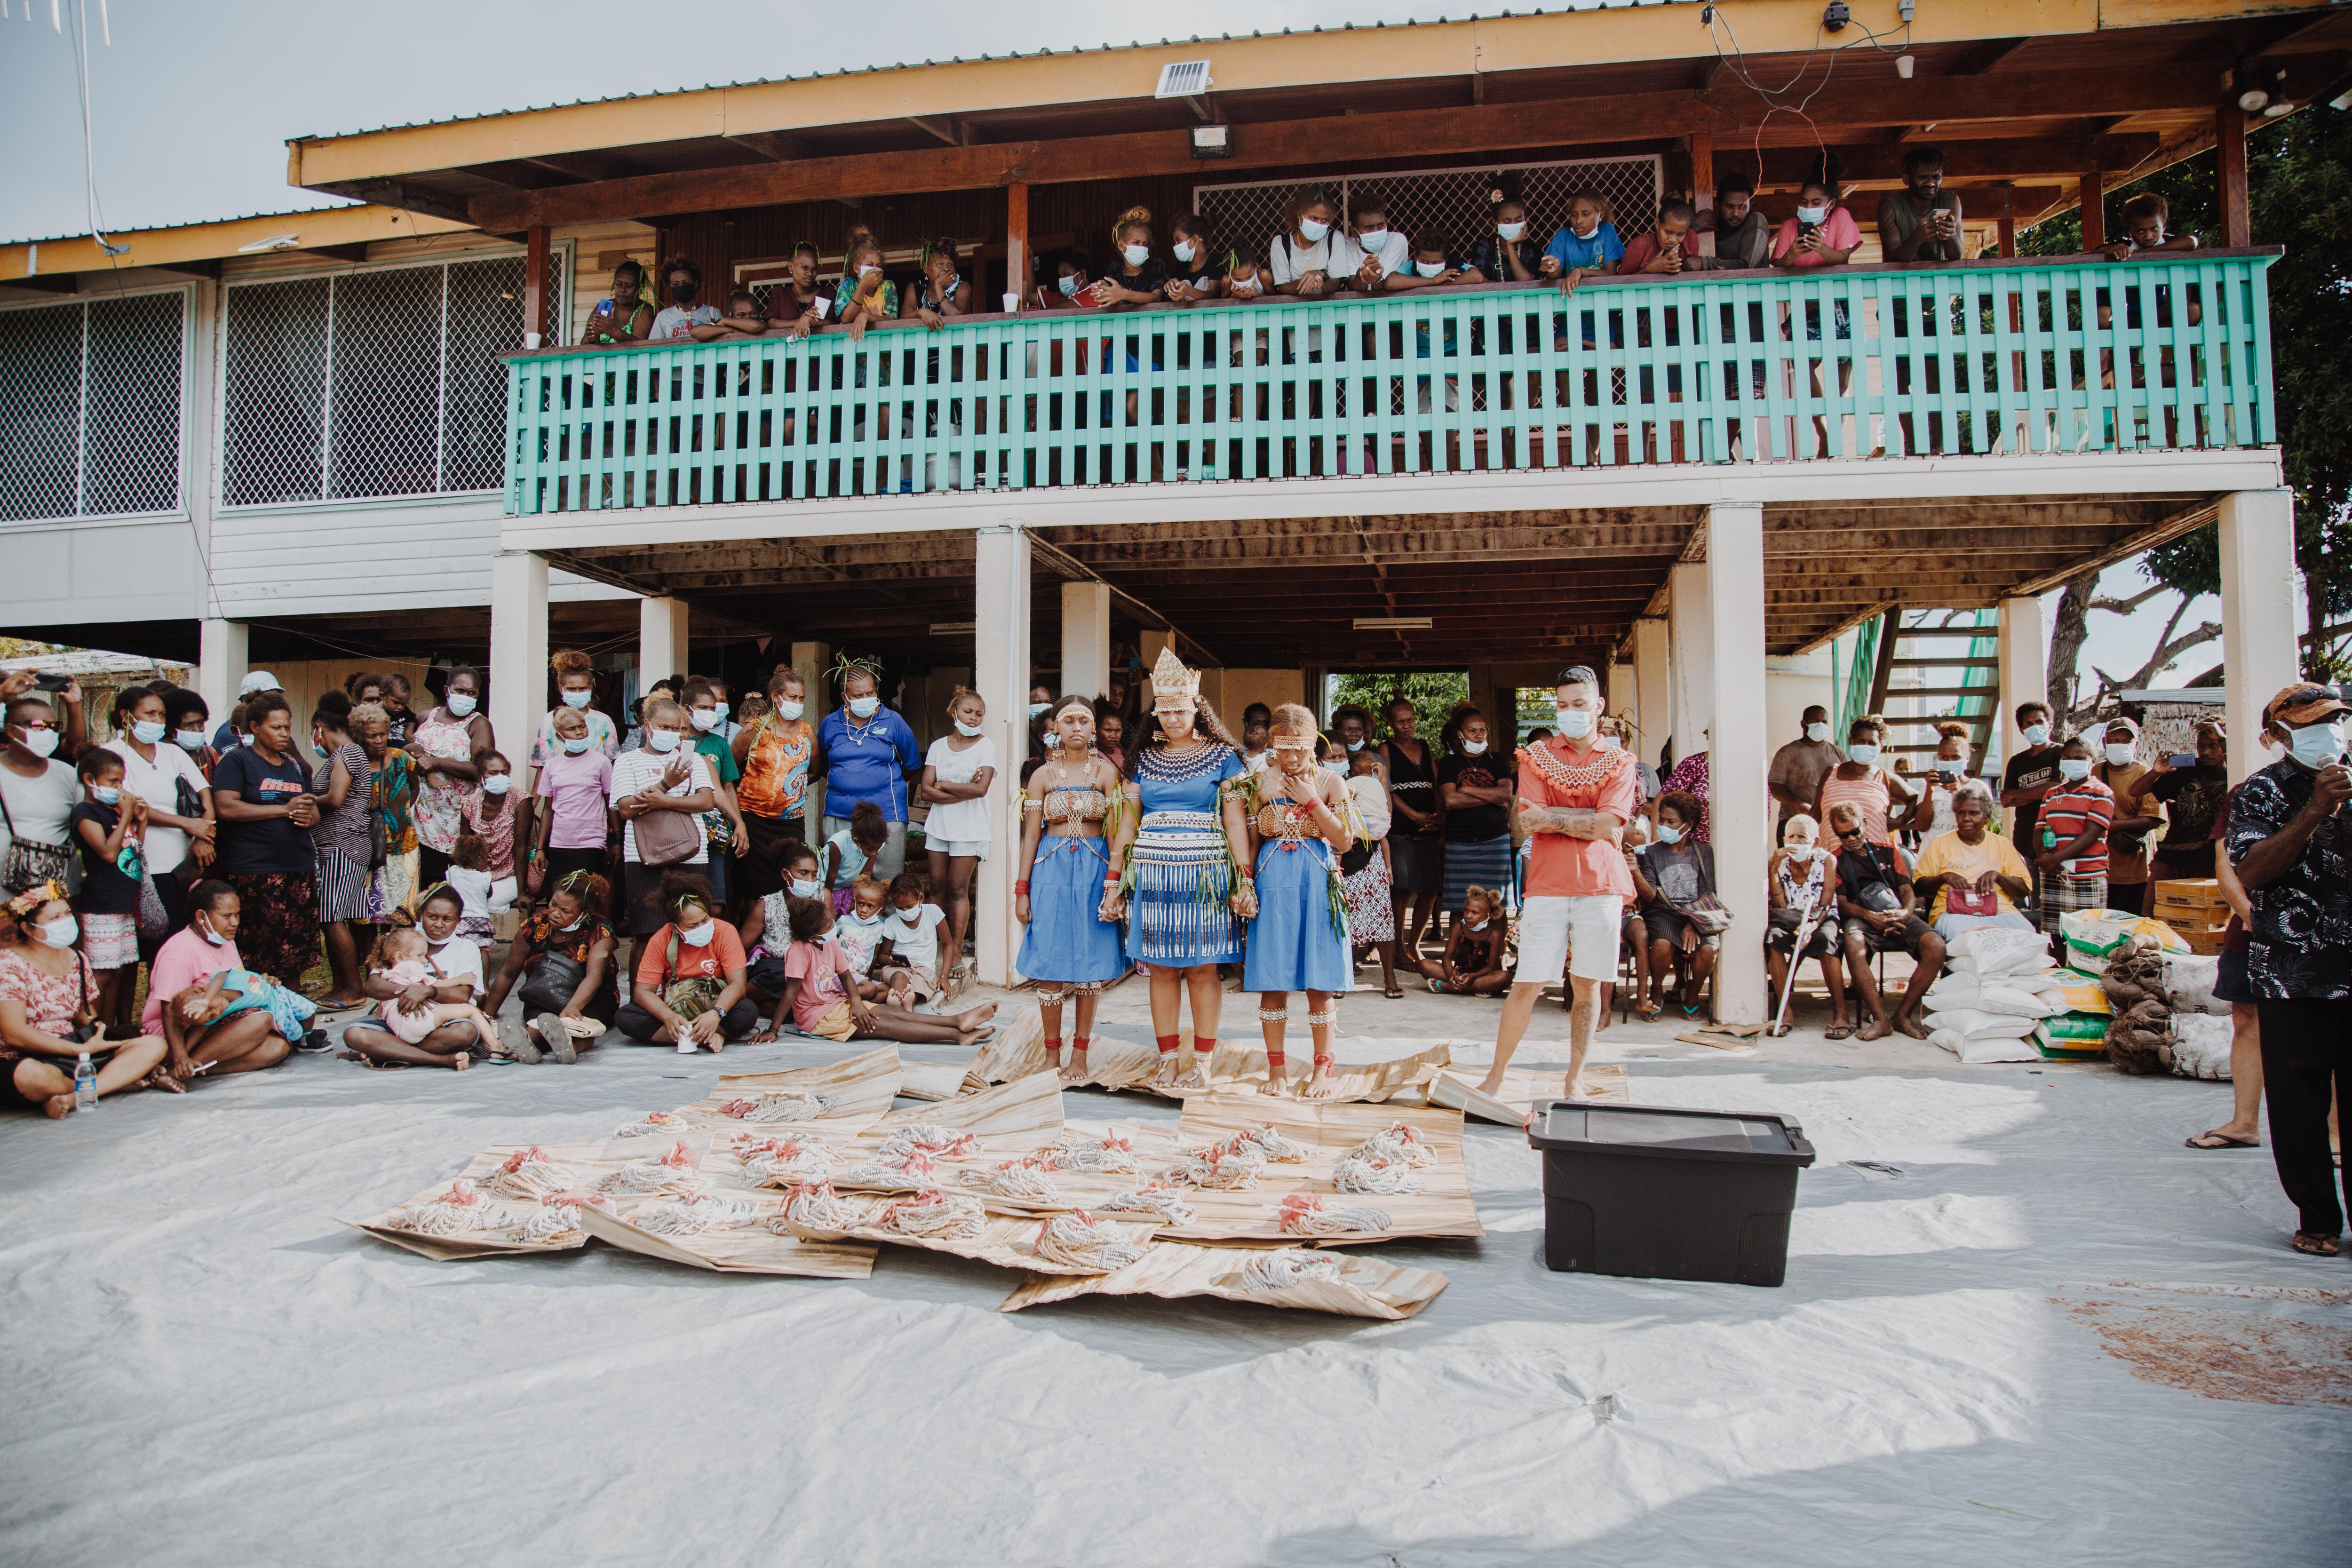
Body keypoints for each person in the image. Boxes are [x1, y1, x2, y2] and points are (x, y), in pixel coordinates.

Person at [2223, 683, 2352, 1257]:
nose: (2328, 733)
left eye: (2336, 720)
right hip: (2291, 971)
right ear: (2277, 736)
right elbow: (2251, 872)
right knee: (2298, 1103)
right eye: (2309, 725)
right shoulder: (2259, 793)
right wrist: (2315, 809)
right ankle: (2317, 1218)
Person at [1481, 668, 1637, 1099]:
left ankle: (1576, 1078)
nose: (1570, 713)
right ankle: (1495, 1076)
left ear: (1598, 706)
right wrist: (1588, 819)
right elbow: (1530, 820)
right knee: (1527, 983)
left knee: (1587, 984)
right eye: (1563, 705)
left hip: (1601, 886)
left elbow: (1610, 825)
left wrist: (1559, 818)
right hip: (1548, 884)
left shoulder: (1620, 761)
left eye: (1579, 704)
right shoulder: (1536, 756)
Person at [1104, 647, 1252, 1089]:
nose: (1171, 718)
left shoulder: (1225, 757)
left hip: (1204, 877)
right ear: (1155, 714)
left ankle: (1203, 1062)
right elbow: (1128, 824)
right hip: (1153, 876)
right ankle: (1168, 1058)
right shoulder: (1142, 760)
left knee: (1204, 969)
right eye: (1163, 710)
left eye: (1180, 709)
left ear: (1197, 709)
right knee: (1161, 968)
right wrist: (1114, 882)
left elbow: (1235, 823)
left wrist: (1244, 879)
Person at [1240, 705, 1354, 1098]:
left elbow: (1344, 841)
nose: (1292, 757)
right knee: (1273, 983)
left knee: (1318, 983)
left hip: (1317, 885)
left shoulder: (1330, 782)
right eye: (1284, 748)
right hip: (1273, 886)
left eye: (1301, 749)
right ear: (1272, 743)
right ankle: (1278, 1069)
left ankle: (1323, 1069)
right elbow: (1252, 843)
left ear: (1314, 744)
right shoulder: (1258, 783)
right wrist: (1246, 884)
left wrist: (1311, 800)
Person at [1014, 697, 1128, 1081]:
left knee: (1091, 968)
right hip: (1051, 868)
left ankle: (1080, 1055)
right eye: (1069, 721)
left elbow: (1117, 838)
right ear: (1055, 729)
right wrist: (1022, 888)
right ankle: (1051, 1055)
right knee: (1051, 964)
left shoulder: (1107, 774)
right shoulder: (1042, 776)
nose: (1077, 727)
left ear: (1093, 728)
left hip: (1095, 870)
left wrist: (1116, 887)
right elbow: (1030, 837)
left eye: (1084, 721)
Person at [0, 884, 170, 1115]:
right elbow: (15, 1034)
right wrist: (80, 1050)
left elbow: (84, 1013)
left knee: (153, 1045)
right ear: (28, 929)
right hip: (28, 1058)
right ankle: (114, 1083)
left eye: (67, 913)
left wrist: (108, 1036)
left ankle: (72, 1097)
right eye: (55, 918)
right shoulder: (9, 964)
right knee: (36, 1077)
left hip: (74, 1050)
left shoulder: (77, 959)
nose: (66, 921)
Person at [748, 893, 997, 1047]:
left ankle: (958, 1021)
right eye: (828, 926)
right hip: (817, 1017)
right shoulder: (798, 952)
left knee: (894, 1012)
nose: (834, 927)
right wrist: (773, 1030)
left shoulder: (830, 942)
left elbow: (845, 976)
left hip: (839, 1003)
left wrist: (856, 1001)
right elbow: (791, 993)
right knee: (886, 1026)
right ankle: (958, 1036)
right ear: (813, 937)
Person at [207, 691, 320, 990]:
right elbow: (226, 806)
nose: (284, 734)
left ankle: (294, 1012)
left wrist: (311, 817)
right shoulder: (238, 761)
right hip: (254, 870)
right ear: (255, 727)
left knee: (294, 950)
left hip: (298, 868)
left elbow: (313, 810)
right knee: (258, 950)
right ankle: (258, 1012)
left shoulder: (294, 766)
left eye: (287, 727)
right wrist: (283, 809)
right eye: (276, 728)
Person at [103, 683, 215, 956]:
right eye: (150, 714)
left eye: (162, 715)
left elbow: (205, 795)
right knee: (156, 946)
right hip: (145, 864)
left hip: (183, 864)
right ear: (126, 716)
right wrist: (188, 824)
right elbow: (133, 805)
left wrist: (203, 834)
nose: (157, 721)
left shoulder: (172, 752)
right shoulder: (111, 755)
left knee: (184, 941)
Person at [143, 881, 292, 1082]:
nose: (235, 922)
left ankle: (189, 1069)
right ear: (201, 917)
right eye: (227, 916)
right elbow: (169, 1010)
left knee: (277, 1049)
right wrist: (180, 1056)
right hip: (177, 1033)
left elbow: (234, 981)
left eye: (237, 914)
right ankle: (178, 1069)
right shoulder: (179, 951)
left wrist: (259, 983)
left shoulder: (225, 940)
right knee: (260, 1020)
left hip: (212, 1020)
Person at [2190, 779, 2264, 1150]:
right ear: (2271, 737)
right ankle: (2245, 1122)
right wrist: (2247, 912)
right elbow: (2225, 861)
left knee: (2327, 1024)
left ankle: (2335, 1132)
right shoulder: (2250, 790)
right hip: (2251, 925)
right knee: (2246, 1018)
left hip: (2323, 928)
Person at [1829, 801, 1944, 1041]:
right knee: (1853, 944)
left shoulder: (1889, 851)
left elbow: (1907, 891)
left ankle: (1903, 1015)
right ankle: (1881, 1018)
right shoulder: (1835, 860)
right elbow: (1841, 903)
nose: (1850, 839)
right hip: (1861, 916)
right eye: (1843, 835)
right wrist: (1869, 916)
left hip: (1895, 912)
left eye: (1855, 831)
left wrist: (1904, 914)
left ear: (1865, 825)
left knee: (1936, 945)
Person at [610, 697, 718, 950]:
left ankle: (683, 988)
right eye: (663, 727)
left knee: (691, 929)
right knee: (647, 934)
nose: (670, 733)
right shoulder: (627, 761)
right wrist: (667, 785)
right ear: (647, 725)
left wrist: (662, 801)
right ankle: (642, 990)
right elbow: (626, 808)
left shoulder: (692, 759)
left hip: (691, 855)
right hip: (643, 857)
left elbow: (706, 801)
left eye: (675, 728)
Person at [483, 868, 616, 1064]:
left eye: (566, 911)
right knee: (540, 1025)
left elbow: (593, 977)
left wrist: (572, 1009)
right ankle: (528, 1041)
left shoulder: (600, 928)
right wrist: (487, 1017)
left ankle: (569, 1045)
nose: (555, 913)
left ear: (584, 912)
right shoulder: (535, 925)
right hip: (544, 996)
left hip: (591, 999)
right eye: (554, 904)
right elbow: (508, 974)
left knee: (576, 1027)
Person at [612, 874, 757, 1049]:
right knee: (626, 1017)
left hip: (716, 1004)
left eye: (705, 920)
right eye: (693, 926)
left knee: (747, 1012)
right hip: (677, 1010)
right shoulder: (661, 940)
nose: (702, 928)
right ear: (675, 928)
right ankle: (709, 1037)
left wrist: (716, 1014)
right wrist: (668, 1016)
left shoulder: (725, 932)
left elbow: (738, 984)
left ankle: (693, 1035)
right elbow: (642, 992)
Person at [919, 687, 996, 990]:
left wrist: (945, 785)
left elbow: (980, 791)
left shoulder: (986, 747)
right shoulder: (939, 746)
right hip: (939, 827)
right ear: (955, 713)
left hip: (970, 829)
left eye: (979, 714)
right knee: (936, 887)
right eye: (969, 712)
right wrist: (958, 791)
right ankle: (938, 947)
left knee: (957, 889)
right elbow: (926, 791)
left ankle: (956, 955)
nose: (974, 718)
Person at [817, 661, 921, 882]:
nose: (866, 699)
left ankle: (888, 917)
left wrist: (881, 782)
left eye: (870, 693)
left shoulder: (893, 720)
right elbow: (824, 767)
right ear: (845, 698)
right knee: (839, 879)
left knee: (887, 881)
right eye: (858, 695)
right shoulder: (830, 724)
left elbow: (911, 764)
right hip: (840, 814)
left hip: (887, 814)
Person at [67, 749, 145, 1035]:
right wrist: (125, 814)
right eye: (113, 782)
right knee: (100, 974)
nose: (119, 789)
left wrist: (141, 821)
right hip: (101, 906)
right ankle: (91, 1032)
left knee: (118, 972)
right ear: (90, 780)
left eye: (121, 782)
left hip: (122, 904)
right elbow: (109, 853)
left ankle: (109, 1031)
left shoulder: (113, 813)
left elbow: (132, 852)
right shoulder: (85, 813)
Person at [307, 692, 376, 1009]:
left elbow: (335, 798)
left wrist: (301, 802)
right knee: (338, 916)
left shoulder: (348, 752)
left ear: (319, 727)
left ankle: (353, 988)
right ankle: (343, 985)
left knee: (332, 917)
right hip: (339, 844)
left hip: (343, 844)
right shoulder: (342, 756)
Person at [1631, 792, 1720, 1018]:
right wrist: (1635, 871)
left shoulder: (1703, 852)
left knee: (1709, 949)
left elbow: (1707, 892)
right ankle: (1658, 988)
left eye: (1671, 822)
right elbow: (1651, 897)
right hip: (1664, 913)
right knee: (1661, 944)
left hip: (1697, 914)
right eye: (1661, 820)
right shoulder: (1651, 853)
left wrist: (1693, 923)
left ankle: (1693, 992)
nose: (1663, 826)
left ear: (1688, 824)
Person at [1912, 781, 2036, 940]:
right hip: (1954, 913)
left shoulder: (2001, 843)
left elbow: (2023, 890)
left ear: (1987, 818)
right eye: (1961, 813)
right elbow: (1919, 888)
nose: (1966, 819)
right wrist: (1945, 877)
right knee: (1971, 941)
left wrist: (1997, 876)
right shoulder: (1940, 843)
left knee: (2027, 937)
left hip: (2001, 911)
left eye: (1974, 813)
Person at [733, 665, 817, 898]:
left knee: (789, 880)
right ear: (775, 697)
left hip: (791, 821)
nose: (798, 703)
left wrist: (790, 789)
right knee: (753, 886)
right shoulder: (755, 730)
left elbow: (815, 771)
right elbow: (730, 768)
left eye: (801, 698)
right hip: (753, 821)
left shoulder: (807, 732)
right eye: (793, 697)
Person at [410, 665, 494, 890]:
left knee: (448, 887)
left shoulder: (478, 724)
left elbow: (482, 770)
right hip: (420, 816)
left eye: (472, 693)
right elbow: (403, 747)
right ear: (447, 690)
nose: (466, 697)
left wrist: (436, 762)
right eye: (460, 690)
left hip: (455, 819)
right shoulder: (425, 717)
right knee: (421, 886)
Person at [365, 925, 500, 1062]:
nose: (424, 961)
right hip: (414, 1021)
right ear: (400, 956)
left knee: (464, 1030)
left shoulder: (391, 970)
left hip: (398, 1028)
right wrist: (460, 979)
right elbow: (431, 986)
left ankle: (391, 1051)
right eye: (420, 956)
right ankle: (497, 1048)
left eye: (425, 956)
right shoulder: (409, 965)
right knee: (470, 1011)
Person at [1436, 706, 1516, 935]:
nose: (1479, 735)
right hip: (1459, 843)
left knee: (1496, 904)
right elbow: (1451, 800)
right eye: (1473, 731)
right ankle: (1455, 953)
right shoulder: (1450, 764)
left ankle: (1497, 957)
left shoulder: (1497, 760)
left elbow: (1505, 794)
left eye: (1483, 730)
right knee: (1458, 903)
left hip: (1495, 840)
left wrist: (1468, 788)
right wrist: (1491, 797)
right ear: (1460, 735)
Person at [1765, 813, 1846, 1037]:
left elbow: (1826, 901)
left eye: (1802, 837)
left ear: (1816, 841)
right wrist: (1773, 870)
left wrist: (1810, 927)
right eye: (1791, 837)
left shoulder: (1827, 860)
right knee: (1773, 938)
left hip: (1822, 916)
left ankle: (1841, 1014)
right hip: (1790, 917)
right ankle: (1785, 1012)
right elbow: (1780, 906)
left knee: (1827, 941)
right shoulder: (1779, 862)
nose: (1796, 842)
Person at [0, 690, 84, 895]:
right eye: (38, 726)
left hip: (57, 896)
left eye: (54, 727)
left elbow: (85, 824)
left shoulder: (66, 773)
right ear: (11, 730)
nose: (48, 733)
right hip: (5, 897)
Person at [1380, 695, 1444, 960]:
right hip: (1402, 828)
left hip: (1429, 827)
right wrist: (1413, 815)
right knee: (1402, 890)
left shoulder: (1425, 746)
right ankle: (1397, 949)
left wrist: (1440, 816)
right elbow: (1387, 789)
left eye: (1411, 720)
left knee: (1430, 889)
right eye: (1401, 721)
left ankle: (1413, 946)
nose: (1408, 726)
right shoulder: (1386, 749)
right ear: (1391, 724)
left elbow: (1437, 782)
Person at [2035, 734, 2116, 938]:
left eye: (2079, 758)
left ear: (2092, 761)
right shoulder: (2051, 794)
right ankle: (2060, 970)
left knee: (2088, 936)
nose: (2073, 762)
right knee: (2057, 934)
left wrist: (2054, 859)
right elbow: (2039, 829)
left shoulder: (2101, 793)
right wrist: (2044, 857)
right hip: (2054, 873)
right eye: (2068, 757)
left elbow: (2091, 834)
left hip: (2086, 875)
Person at [2130, 719, 2229, 881]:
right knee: (2155, 906)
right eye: (2201, 746)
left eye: (2213, 746)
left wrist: (2224, 738)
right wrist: (2156, 772)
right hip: (2172, 858)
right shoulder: (2186, 769)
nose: (2206, 752)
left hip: (2214, 862)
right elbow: (2135, 791)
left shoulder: (2238, 770)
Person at [680, 679, 748, 904]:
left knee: (717, 901)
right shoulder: (673, 742)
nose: (710, 713)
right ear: (686, 709)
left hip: (716, 832)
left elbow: (727, 789)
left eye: (712, 708)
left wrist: (738, 824)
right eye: (703, 708)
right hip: (682, 829)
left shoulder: (719, 744)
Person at [1343, 745, 1400, 999]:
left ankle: (1390, 977)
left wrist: (1384, 781)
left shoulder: (1356, 785)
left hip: (1372, 857)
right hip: (1346, 855)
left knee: (1382, 918)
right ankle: (1342, 978)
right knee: (1344, 921)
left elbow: (1387, 813)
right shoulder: (1359, 785)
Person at [2094, 717, 2159, 915]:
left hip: (2135, 870)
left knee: (2132, 923)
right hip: (2098, 868)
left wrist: (2113, 826)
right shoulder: (2094, 772)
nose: (2119, 745)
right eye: (2114, 740)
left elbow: (2152, 819)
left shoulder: (2146, 775)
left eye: (2125, 741)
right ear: (2105, 742)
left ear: (2136, 745)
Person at [1815, 717, 1915, 847]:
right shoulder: (1831, 773)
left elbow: (1916, 799)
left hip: (1873, 860)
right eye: (1861, 741)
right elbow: (1815, 813)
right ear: (1852, 741)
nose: (1866, 747)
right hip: (1832, 860)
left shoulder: (1885, 778)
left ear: (1880, 747)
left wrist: (1900, 822)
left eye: (1872, 743)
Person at [2001, 701, 2065, 892]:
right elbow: (2005, 800)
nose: (2034, 726)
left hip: (2056, 840)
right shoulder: (2017, 762)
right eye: (2028, 724)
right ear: (2022, 730)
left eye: (2039, 721)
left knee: (2058, 897)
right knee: (2034, 901)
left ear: (2050, 725)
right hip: (2025, 838)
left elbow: (2056, 786)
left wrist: (2018, 794)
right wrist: (2042, 792)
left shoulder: (2061, 753)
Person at [872, 870, 952, 1007]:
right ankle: (898, 1001)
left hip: (925, 969)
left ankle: (906, 1003)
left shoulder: (933, 912)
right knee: (899, 977)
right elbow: (883, 956)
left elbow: (948, 945)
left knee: (919, 988)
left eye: (909, 906)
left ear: (921, 898)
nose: (905, 912)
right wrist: (891, 961)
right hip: (898, 968)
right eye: (900, 908)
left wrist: (944, 976)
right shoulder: (891, 922)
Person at [1413, 884, 1510, 996]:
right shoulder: (1459, 928)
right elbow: (1447, 957)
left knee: (1505, 977)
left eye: (1475, 913)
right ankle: (1475, 988)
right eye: (1467, 911)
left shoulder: (1494, 935)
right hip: (1460, 973)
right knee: (1424, 965)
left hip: (1482, 976)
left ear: (1486, 916)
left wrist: (1473, 976)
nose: (1468, 916)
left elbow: (1492, 967)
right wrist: (1451, 975)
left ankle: (1450, 988)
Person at [1770, 703, 1846, 839]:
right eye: (1815, 721)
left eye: (1824, 722)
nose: (1820, 725)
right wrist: (1797, 804)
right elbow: (1775, 785)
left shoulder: (1837, 753)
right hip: (1794, 822)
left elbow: (1848, 783)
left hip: (1828, 824)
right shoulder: (1788, 753)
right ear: (1803, 724)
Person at [1876, 147, 1964, 263]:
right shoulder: (1889, 206)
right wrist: (1918, 237)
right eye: (1923, 177)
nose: (1931, 183)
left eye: (1936, 177)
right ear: (1907, 179)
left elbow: (1958, 256)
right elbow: (1893, 260)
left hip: (1939, 278)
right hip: (1902, 280)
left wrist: (1951, 235)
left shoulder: (1951, 200)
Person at [1269, 193, 1352, 299]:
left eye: (1325, 220)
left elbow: (1336, 284)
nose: (1319, 224)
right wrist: (1308, 280)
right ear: (1300, 215)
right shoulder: (1281, 243)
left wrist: (1322, 275)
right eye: (1314, 218)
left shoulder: (1334, 238)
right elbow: (1283, 287)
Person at [1538, 189, 1621, 286]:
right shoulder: (1564, 236)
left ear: (1601, 215)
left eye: (1586, 215)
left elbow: (1610, 273)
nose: (1579, 221)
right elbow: (1553, 277)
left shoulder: (1606, 231)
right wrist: (1551, 268)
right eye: (1574, 215)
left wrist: (1580, 271)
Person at [1088, 207, 1168, 307]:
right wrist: (1106, 292)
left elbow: (1157, 298)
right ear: (1121, 246)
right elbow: (1119, 304)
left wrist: (1123, 294)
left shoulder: (1156, 266)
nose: (1142, 247)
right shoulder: (1115, 269)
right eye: (1136, 243)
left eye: (1145, 244)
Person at [1693, 170, 1771, 269]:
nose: (1736, 213)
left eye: (1742, 207)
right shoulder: (1710, 224)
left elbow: (1746, 266)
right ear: (1718, 205)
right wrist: (1694, 225)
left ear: (1751, 205)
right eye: (1730, 207)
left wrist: (1705, 263)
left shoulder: (1756, 221)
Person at [1910, 722, 1975, 841]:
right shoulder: (1928, 788)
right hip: (1933, 853)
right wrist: (1930, 791)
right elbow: (1922, 826)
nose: (1950, 761)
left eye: (1955, 757)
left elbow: (1977, 826)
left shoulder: (1977, 787)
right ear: (1939, 757)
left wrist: (1959, 795)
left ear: (1967, 758)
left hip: (1964, 853)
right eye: (1945, 757)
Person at [822, 802, 889, 914]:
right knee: (828, 913)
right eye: (870, 850)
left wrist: (857, 898)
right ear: (856, 840)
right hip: (828, 886)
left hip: (848, 887)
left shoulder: (875, 843)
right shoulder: (839, 843)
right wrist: (827, 899)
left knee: (858, 910)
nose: (874, 853)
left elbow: (867, 872)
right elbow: (832, 874)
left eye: (877, 850)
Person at [763, 241, 836, 339]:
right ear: (791, 267)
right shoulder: (780, 293)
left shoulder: (827, 293)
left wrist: (810, 321)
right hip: (785, 350)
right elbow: (772, 323)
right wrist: (802, 321)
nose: (810, 274)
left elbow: (832, 323)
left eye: (814, 269)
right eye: (805, 268)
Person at [834, 230, 898, 341]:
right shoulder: (848, 285)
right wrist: (863, 286)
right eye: (870, 265)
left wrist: (866, 316)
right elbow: (845, 319)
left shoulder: (888, 286)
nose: (875, 269)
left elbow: (891, 320)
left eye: (879, 265)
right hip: (855, 349)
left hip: (883, 349)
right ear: (857, 269)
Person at [1614, 200, 1705, 276]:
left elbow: (1693, 280)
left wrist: (1676, 269)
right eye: (1669, 232)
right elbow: (1620, 283)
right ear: (1657, 224)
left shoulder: (1690, 239)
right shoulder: (1641, 245)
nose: (1673, 240)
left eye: (1680, 234)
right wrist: (1648, 270)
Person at [902, 237, 972, 327]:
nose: (947, 269)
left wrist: (938, 286)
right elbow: (904, 318)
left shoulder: (963, 287)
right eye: (940, 264)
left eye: (950, 264)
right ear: (926, 269)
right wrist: (921, 312)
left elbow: (957, 318)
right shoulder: (916, 287)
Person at [650, 257, 722, 343]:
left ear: (695, 284)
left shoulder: (713, 313)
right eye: (675, 284)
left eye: (686, 283)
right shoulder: (663, 317)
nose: (681, 287)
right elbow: (654, 347)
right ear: (670, 286)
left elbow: (723, 341)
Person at [1343, 199, 1410, 291]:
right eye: (1369, 228)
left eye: (1381, 226)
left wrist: (1377, 279)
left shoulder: (1397, 241)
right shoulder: (1347, 246)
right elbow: (1355, 288)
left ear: (1386, 224)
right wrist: (1360, 276)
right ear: (1354, 232)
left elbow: (1385, 286)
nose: (1376, 231)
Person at [585, 260, 655, 346]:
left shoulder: (645, 310)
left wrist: (614, 331)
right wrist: (592, 338)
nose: (622, 290)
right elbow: (584, 344)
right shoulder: (605, 306)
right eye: (619, 284)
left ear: (641, 288)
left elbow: (641, 345)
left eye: (629, 286)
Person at [1163, 213, 1229, 304]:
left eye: (1178, 240)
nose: (1175, 246)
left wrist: (1189, 291)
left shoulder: (1215, 261)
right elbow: (1171, 299)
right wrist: (1172, 289)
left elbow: (1214, 295)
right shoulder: (1180, 268)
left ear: (1195, 240)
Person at [161, 686, 221, 781]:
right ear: (171, 729)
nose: (197, 730)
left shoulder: (211, 755)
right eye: (189, 725)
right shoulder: (162, 758)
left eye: (200, 723)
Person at [212, 670, 277, 751]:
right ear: (246, 699)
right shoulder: (235, 732)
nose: (274, 703)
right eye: (267, 697)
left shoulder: (277, 727)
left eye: (276, 697)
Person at [1096, 710, 1128, 777]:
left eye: (1118, 730)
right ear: (1096, 730)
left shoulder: (1119, 752)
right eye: (1108, 730)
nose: (1113, 735)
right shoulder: (1094, 756)